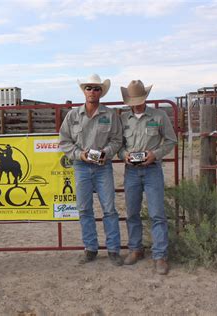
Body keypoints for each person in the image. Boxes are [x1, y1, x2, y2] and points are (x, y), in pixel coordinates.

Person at [59, 74, 123, 266]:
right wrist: (80, 155)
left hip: (103, 167)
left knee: (109, 209)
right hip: (81, 166)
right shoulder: (72, 116)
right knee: (84, 209)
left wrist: (106, 152)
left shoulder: (110, 115)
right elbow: (64, 141)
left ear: (101, 92)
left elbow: (117, 140)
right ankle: (90, 248)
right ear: (84, 91)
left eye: (96, 88)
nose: (92, 91)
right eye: (89, 88)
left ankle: (113, 250)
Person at [118, 80, 177, 275]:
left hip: (152, 169)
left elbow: (171, 140)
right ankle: (136, 249)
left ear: (145, 98)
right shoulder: (123, 119)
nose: (136, 103)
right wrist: (124, 155)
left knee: (157, 213)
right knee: (132, 212)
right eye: (133, 100)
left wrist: (155, 154)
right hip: (131, 171)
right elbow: (118, 144)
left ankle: (160, 255)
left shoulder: (159, 116)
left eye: (138, 99)